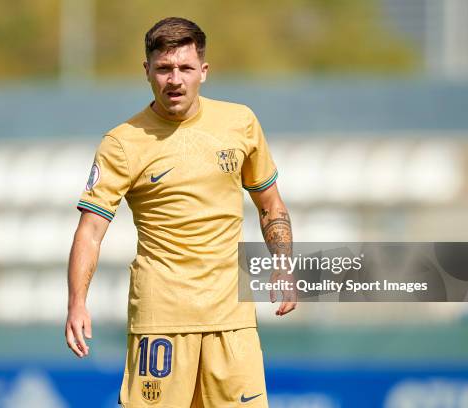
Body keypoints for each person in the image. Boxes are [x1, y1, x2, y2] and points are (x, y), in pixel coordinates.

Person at [65, 17, 296, 407]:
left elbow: (270, 203)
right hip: (161, 321)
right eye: (164, 68)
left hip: (232, 318)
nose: (175, 79)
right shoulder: (122, 143)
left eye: (186, 68)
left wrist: (285, 265)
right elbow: (90, 230)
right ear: (147, 71)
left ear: (203, 71)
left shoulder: (240, 123)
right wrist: (76, 302)